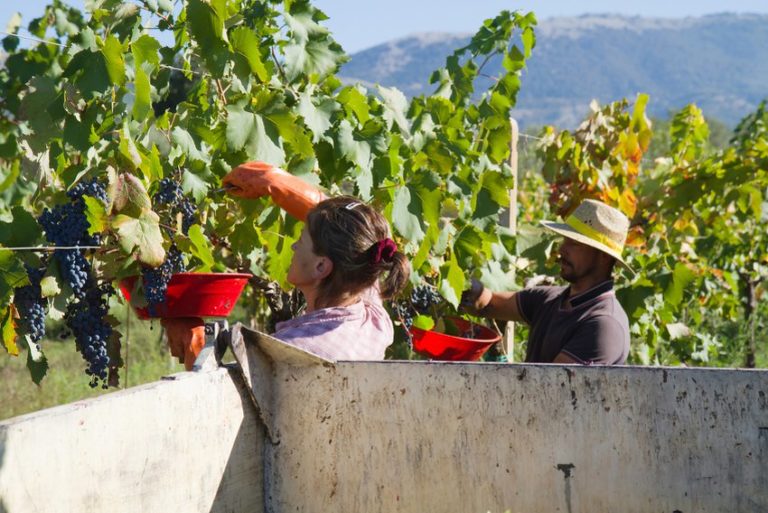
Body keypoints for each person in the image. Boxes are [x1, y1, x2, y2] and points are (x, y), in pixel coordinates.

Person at [163, 161, 410, 367]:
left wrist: (196, 344)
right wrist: (275, 182)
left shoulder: (293, 350)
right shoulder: (371, 317)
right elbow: (356, 237)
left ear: (321, 267)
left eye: (301, 240)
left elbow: (221, 400)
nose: (293, 246)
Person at [461, 199, 631, 365]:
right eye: (565, 240)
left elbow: (550, 386)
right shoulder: (549, 298)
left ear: (604, 257)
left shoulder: (604, 325)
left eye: (574, 243)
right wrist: (462, 285)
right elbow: (487, 302)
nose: (562, 249)